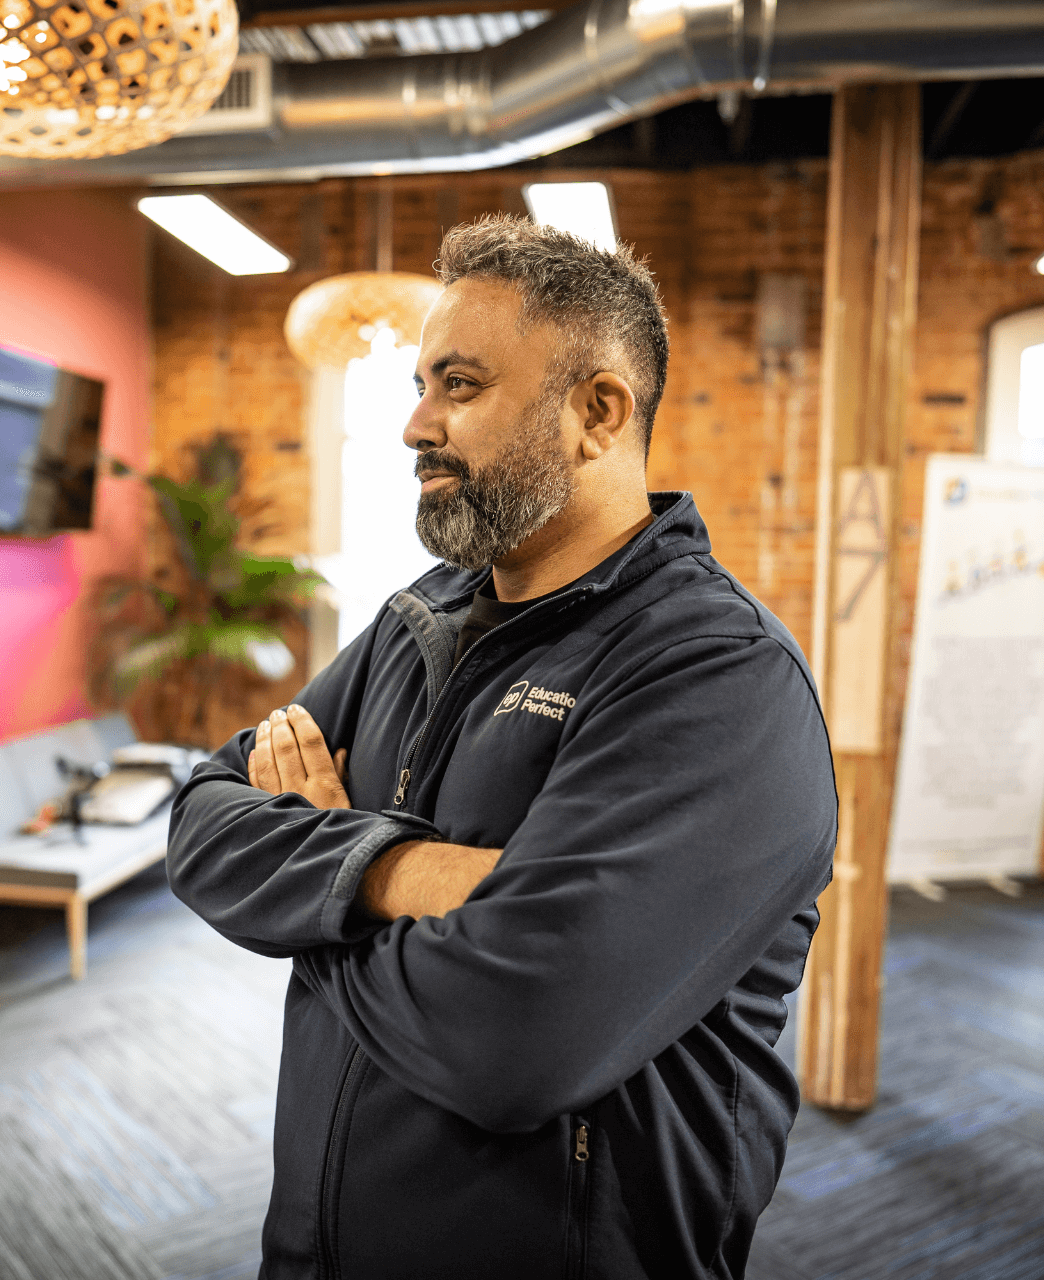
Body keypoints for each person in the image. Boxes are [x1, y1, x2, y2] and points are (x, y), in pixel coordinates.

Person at [166, 214, 837, 1280]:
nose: (415, 425)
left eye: (461, 386)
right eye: (418, 385)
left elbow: (514, 1039)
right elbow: (202, 821)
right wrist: (389, 869)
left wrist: (316, 871)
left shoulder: (722, 677)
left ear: (597, 412)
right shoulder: (413, 619)